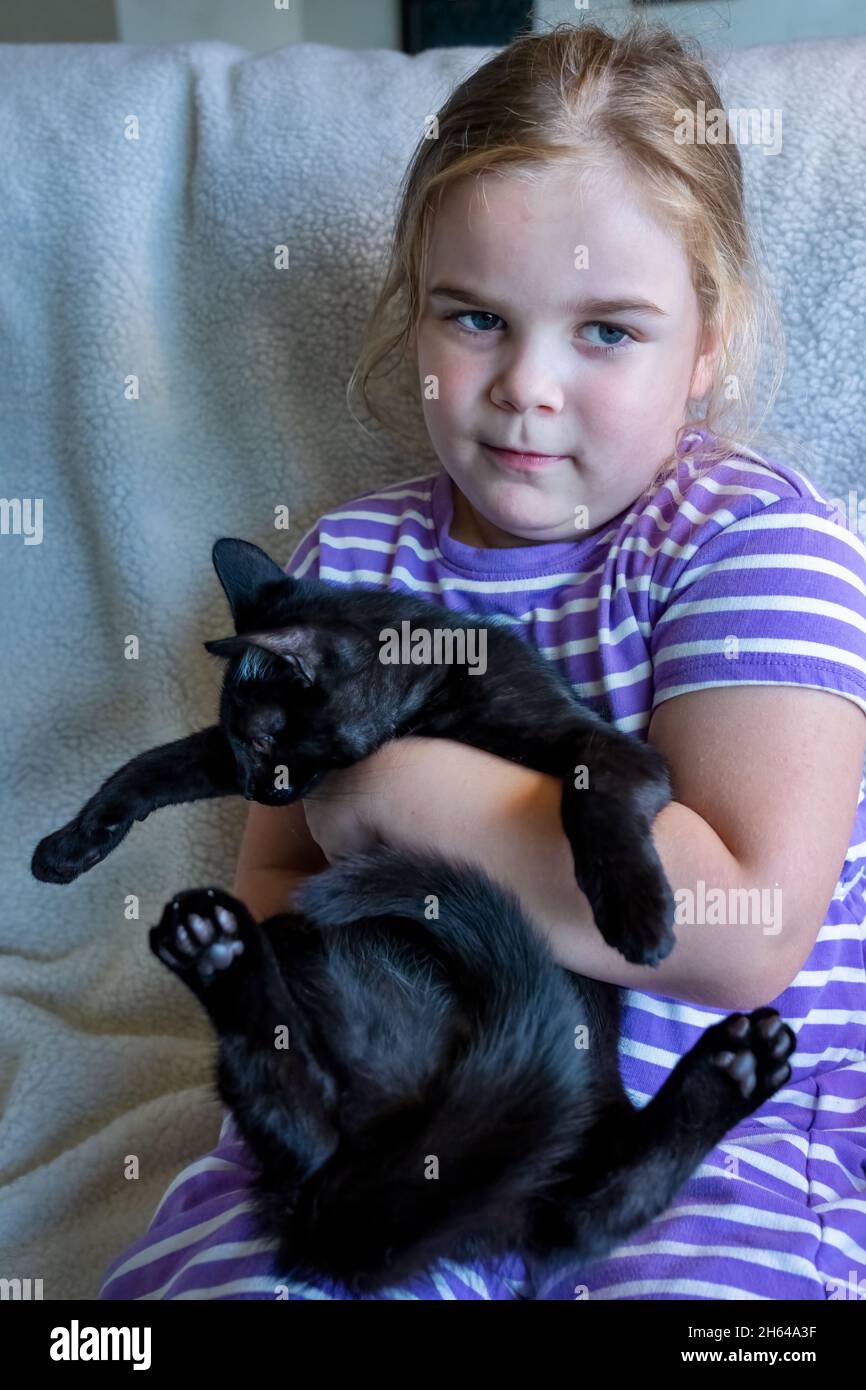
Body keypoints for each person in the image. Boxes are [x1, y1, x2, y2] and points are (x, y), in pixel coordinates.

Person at [99, 18, 866, 1301]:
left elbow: (738, 931)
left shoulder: (752, 545)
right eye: (476, 319)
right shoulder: (351, 559)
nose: (525, 385)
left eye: (607, 331)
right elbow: (283, 889)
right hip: (377, 1128)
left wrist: (389, 793)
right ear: (416, 314)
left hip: (691, 1159)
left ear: (708, 338)